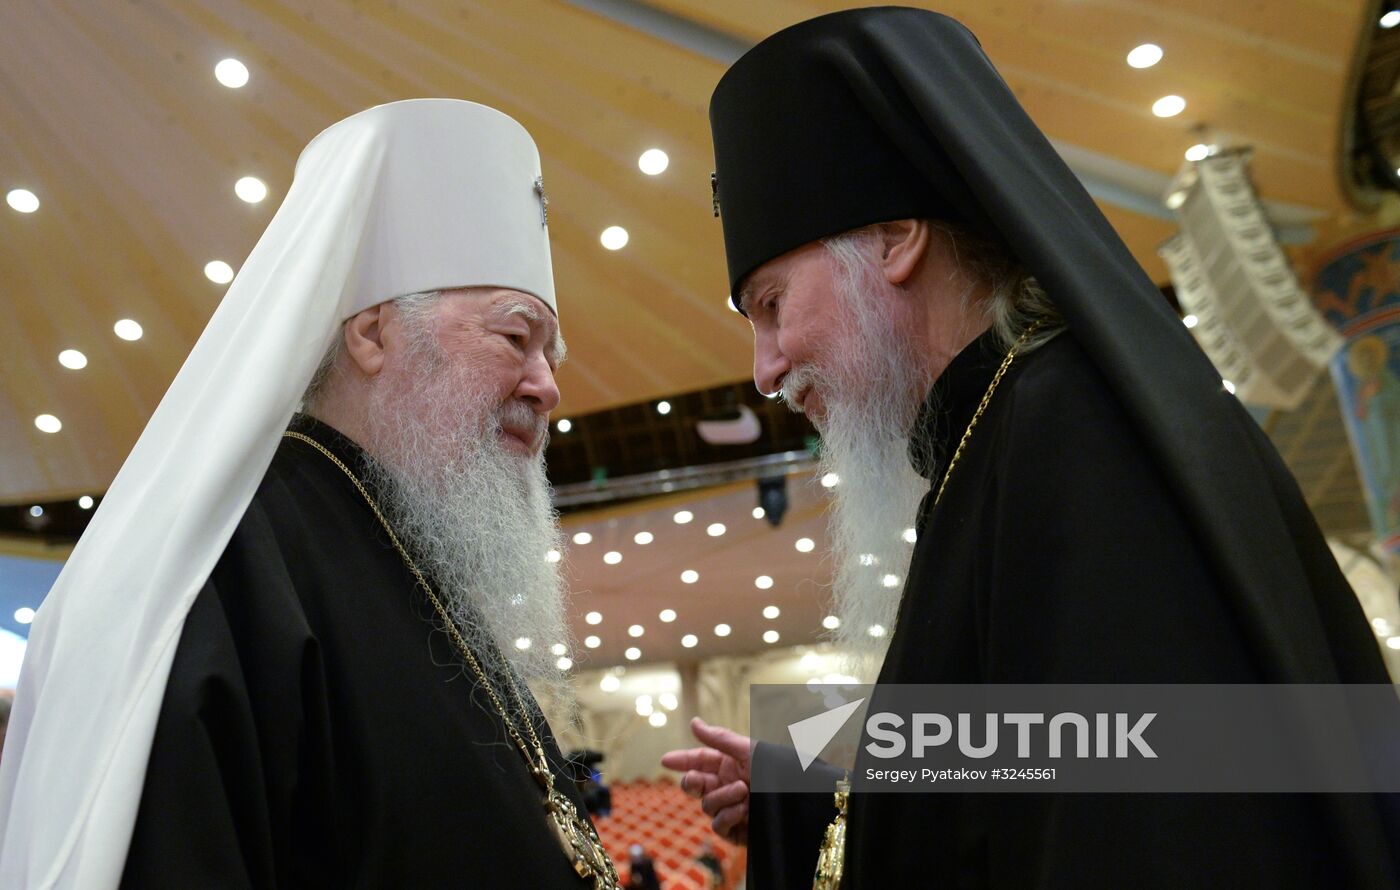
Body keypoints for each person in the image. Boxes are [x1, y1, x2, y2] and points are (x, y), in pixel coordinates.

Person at [664, 8, 1400, 889]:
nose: (765, 370)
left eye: (774, 304)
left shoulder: (1077, 432)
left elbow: (1164, 803)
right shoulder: (1002, 431)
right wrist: (804, 788)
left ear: (895, 240)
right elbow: (1075, 744)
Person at [0, 100, 618, 889]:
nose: (548, 386)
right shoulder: (225, 563)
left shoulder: (418, 567)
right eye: (515, 338)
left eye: (551, 353)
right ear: (372, 334)